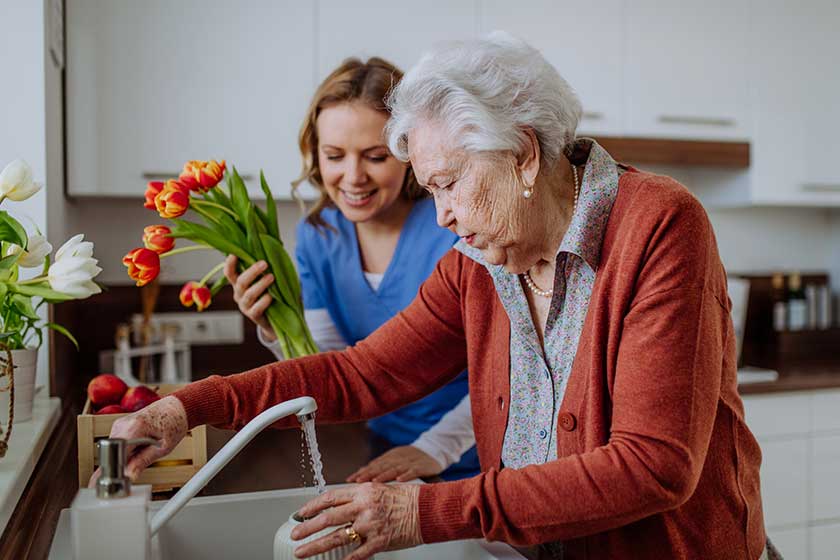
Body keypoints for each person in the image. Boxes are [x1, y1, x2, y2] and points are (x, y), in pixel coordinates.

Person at [107, 33, 769, 559]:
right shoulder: (478, 262)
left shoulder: (659, 224)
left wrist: (424, 512)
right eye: (432, 188)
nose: (443, 214)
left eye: (450, 183)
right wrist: (186, 408)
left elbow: (653, 466)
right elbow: (360, 373)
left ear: (523, 156)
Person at [222, 57, 479, 482]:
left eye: (376, 156)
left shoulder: (455, 227)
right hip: (390, 456)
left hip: (480, 452)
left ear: (409, 152)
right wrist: (276, 327)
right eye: (335, 155)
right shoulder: (318, 238)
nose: (353, 177)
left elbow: (506, 370)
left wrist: (433, 450)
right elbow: (332, 369)